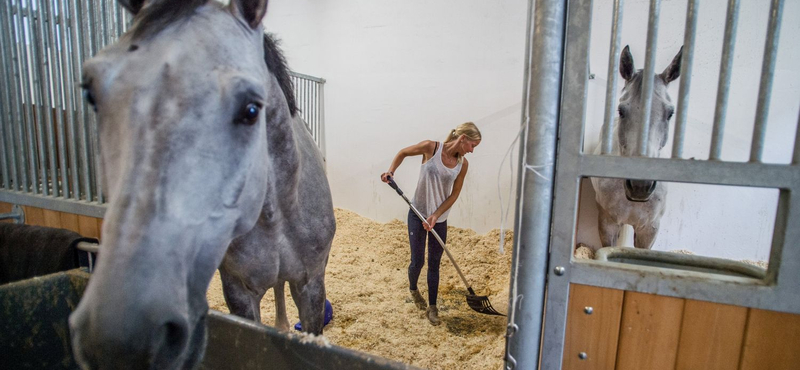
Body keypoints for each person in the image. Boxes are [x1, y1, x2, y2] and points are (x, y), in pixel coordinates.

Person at [380, 122, 482, 326]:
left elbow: (454, 195)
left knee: (434, 264)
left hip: (439, 219)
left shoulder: (463, 164)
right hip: (417, 214)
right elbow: (402, 153)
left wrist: (436, 215)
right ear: (463, 139)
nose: (472, 150)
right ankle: (413, 288)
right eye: (472, 145)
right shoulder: (431, 148)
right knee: (418, 261)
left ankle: (433, 307)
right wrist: (391, 171)